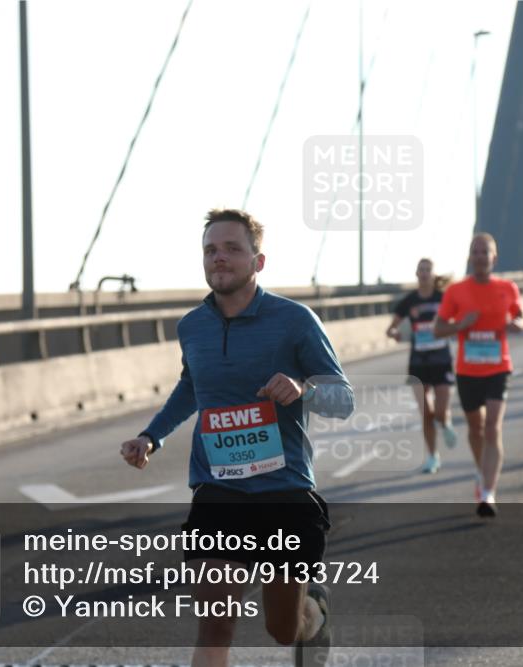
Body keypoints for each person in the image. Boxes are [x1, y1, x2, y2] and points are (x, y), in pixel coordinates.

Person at [120, 208, 354, 667]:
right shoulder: (192, 326)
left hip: (283, 490)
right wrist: (151, 436)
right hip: (218, 490)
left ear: (257, 262)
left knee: (283, 631)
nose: (219, 258)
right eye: (211, 249)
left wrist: (302, 388)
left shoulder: (295, 321)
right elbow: (192, 387)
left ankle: (314, 612)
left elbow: (342, 398)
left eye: (231, 248)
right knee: (215, 623)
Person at [434, 233, 523, 518]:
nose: (479, 257)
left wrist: (517, 324)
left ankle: (488, 491)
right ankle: (482, 470)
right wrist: (461, 324)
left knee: (492, 428)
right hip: (467, 369)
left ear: (494, 258)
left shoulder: (507, 288)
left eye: (484, 252)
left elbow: (522, 316)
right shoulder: (456, 291)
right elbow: (438, 329)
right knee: (476, 429)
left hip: (498, 366)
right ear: (469, 257)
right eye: (475, 252)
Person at [386, 258, 457, 474]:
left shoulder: (444, 298)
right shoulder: (409, 301)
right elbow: (391, 328)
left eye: (428, 270)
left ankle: (445, 424)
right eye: (421, 269)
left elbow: (457, 321)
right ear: (416, 274)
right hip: (418, 362)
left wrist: (450, 328)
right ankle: (432, 456)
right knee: (426, 412)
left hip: (441, 359)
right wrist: (396, 334)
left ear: (434, 274)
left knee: (441, 411)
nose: (424, 273)